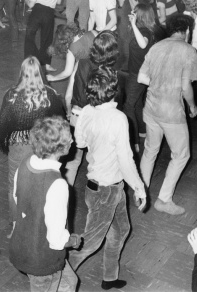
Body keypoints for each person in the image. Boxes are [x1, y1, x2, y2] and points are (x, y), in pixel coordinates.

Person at [69, 67, 147, 291]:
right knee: (89, 243)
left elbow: (81, 143)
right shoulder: (118, 118)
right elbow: (126, 158)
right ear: (114, 90)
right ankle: (59, 276)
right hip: (107, 190)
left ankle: (110, 278)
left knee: (121, 229)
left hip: (104, 187)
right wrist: (140, 188)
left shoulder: (85, 112)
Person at [9, 116, 81, 292]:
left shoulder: (25, 163)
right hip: (43, 259)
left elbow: (18, 202)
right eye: (69, 137)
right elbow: (56, 240)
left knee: (69, 283)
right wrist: (73, 240)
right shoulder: (57, 184)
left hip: (22, 246)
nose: (73, 139)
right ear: (61, 148)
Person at [139, 14, 197, 215]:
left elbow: (143, 77)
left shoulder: (156, 46)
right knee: (181, 154)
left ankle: (141, 191)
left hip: (151, 107)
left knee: (150, 149)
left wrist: (160, 85)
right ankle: (163, 199)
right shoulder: (189, 51)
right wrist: (192, 106)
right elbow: (185, 86)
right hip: (172, 111)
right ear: (187, 31)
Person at [0, 57, 66, 228]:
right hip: (42, 144)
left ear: (22, 73)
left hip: (18, 145)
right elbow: (59, 119)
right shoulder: (50, 94)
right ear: (40, 73)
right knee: (40, 181)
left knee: (14, 182)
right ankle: (38, 221)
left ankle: (15, 224)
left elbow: (2, 125)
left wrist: (5, 144)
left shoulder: (11, 95)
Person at [65, 31, 119, 186]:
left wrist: (69, 112)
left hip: (78, 114)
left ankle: (66, 193)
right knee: (97, 159)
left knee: (73, 159)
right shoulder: (111, 72)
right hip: (98, 120)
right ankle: (95, 195)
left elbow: (69, 94)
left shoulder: (81, 62)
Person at [124, 4, 163, 152]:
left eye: (135, 11)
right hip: (140, 72)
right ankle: (142, 131)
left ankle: (133, 141)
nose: (131, 12)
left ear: (140, 16)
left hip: (137, 75)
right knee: (137, 104)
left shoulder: (145, 31)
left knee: (128, 105)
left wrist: (133, 25)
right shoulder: (146, 29)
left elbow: (142, 44)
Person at [20, 0, 62, 70]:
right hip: (49, 13)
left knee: (29, 36)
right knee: (47, 39)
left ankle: (29, 61)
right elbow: (59, 2)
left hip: (37, 12)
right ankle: (46, 64)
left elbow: (30, 5)